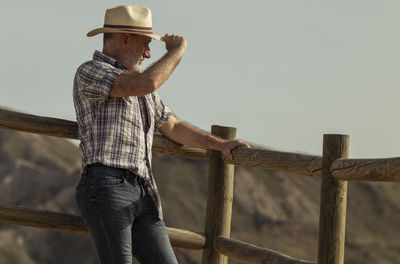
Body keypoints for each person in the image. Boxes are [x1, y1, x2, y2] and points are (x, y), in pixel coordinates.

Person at [73, 5, 250, 264]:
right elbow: (148, 83)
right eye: (145, 44)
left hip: (143, 192)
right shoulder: (91, 71)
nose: (148, 53)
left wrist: (220, 144)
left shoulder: (141, 90)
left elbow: (174, 127)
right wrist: (177, 52)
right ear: (124, 39)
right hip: (107, 184)